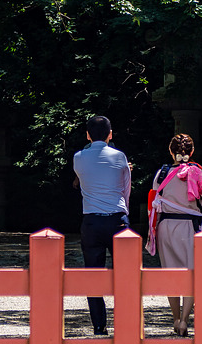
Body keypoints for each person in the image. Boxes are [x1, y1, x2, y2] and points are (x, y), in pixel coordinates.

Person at [148, 134, 202, 337]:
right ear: (191, 152)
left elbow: (156, 200)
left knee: (170, 273)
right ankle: (184, 320)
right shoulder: (198, 173)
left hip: (165, 227)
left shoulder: (161, 174)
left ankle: (174, 317)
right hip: (191, 227)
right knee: (192, 272)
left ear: (170, 151)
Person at [73, 115, 131, 336]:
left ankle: (99, 325)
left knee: (93, 274)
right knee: (125, 274)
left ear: (87, 135)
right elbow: (126, 189)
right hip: (117, 218)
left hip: (92, 220)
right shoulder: (120, 157)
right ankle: (125, 320)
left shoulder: (79, 157)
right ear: (110, 134)